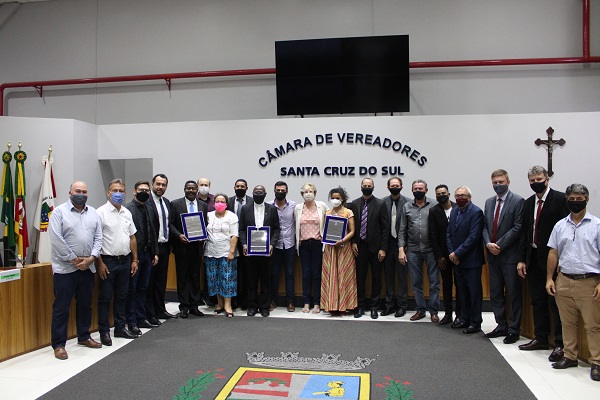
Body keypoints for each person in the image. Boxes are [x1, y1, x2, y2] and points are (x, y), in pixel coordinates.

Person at [546, 184, 600, 381]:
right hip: (564, 280)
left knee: (593, 325)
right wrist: (549, 278)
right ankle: (570, 356)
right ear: (567, 200)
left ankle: (597, 362)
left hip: (589, 282)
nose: (575, 202)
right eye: (572, 199)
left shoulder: (597, 225)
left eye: (579, 199)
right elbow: (553, 252)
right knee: (567, 323)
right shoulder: (560, 225)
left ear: (587, 200)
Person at [517, 165, 569, 361]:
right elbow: (525, 233)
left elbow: (566, 231)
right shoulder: (528, 203)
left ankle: (560, 343)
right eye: (532, 180)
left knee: (556, 303)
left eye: (539, 179)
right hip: (533, 258)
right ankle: (541, 338)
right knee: (537, 301)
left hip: (553, 260)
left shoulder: (561, 200)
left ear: (547, 179)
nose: (535, 183)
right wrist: (522, 259)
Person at [49, 181, 103, 360]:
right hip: (65, 269)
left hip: (88, 267)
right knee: (61, 307)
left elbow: (99, 238)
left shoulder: (93, 213)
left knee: (85, 304)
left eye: (84, 191)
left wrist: (91, 258)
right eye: (77, 191)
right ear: (70, 193)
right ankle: (59, 345)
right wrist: (73, 259)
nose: (81, 194)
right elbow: (56, 239)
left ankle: (84, 336)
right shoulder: (59, 212)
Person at [482, 169, 524, 344]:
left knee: (513, 294)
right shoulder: (489, 202)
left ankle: (514, 329)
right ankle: (501, 325)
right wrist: (488, 244)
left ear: (508, 182)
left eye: (501, 182)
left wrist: (499, 245)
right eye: (495, 183)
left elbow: (518, 227)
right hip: (493, 256)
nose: (498, 185)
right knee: (496, 293)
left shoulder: (518, 201)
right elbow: (485, 226)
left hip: (509, 256)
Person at [96, 179, 139, 345]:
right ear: (108, 193)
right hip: (108, 262)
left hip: (125, 261)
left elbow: (132, 237)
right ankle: (104, 331)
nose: (118, 194)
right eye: (115, 191)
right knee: (105, 298)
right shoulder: (100, 213)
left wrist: (134, 259)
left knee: (122, 296)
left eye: (121, 191)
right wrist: (99, 262)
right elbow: (96, 240)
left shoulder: (127, 212)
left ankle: (120, 328)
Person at [398, 179, 439, 323]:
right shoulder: (407, 206)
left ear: (426, 190)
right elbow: (402, 229)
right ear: (412, 190)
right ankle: (420, 310)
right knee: (416, 283)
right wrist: (401, 249)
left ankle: (434, 311)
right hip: (413, 250)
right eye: (415, 188)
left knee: (434, 282)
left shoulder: (434, 204)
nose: (418, 190)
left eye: (420, 188)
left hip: (431, 249)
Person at [446, 185, 484, 334]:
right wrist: (452, 253)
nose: (460, 198)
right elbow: (448, 234)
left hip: (471, 260)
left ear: (469, 197)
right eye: (457, 196)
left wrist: (457, 253)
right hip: (457, 260)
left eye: (463, 195)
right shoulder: (454, 211)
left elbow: (473, 237)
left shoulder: (476, 212)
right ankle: (464, 318)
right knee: (462, 292)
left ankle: (475, 322)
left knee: (474, 293)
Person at [239, 185, 281, 317]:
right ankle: (251, 306)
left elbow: (276, 229)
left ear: (265, 194)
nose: (258, 194)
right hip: (250, 251)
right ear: (252, 193)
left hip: (266, 251)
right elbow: (241, 229)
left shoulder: (272, 209)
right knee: (251, 280)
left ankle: (264, 306)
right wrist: (244, 244)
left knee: (265, 280)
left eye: (261, 192)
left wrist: (272, 244)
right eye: (256, 192)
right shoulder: (245, 208)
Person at [124, 180, 159, 335]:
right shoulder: (127, 209)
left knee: (143, 288)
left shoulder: (149, 208)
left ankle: (141, 317)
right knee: (132, 289)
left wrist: (155, 252)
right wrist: (134, 258)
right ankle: (131, 321)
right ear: (134, 191)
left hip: (147, 253)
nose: (144, 192)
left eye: (146, 190)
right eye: (141, 190)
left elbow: (153, 231)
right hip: (134, 255)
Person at [351, 177, 389, 319]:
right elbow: (351, 226)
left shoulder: (380, 204)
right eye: (365, 185)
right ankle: (360, 306)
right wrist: (353, 242)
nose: (367, 187)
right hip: (360, 247)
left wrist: (383, 248)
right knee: (360, 278)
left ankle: (374, 307)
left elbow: (385, 228)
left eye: (369, 185)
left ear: (373, 187)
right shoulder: (354, 203)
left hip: (376, 248)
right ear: (360, 186)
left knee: (376, 278)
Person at [169, 180, 207, 318]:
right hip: (182, 246)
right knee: (182, 277)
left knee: (195, 276)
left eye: (193, 188)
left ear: (197, 190)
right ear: (184, 189)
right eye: (188, 188)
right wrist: (179, 235)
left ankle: (194, 305)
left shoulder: (203, 205)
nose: (191, 191)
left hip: (197, 247)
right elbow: (171, 224)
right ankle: (184, 306)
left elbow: (205, 223)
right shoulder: (175, 204)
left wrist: (203, 235)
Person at [145, 173, 176, 324]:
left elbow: (169, 225)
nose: (160, 187)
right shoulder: (147, 202)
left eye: (163, 185)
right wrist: (153, 250)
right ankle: (149, 313)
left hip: (164, 247)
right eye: (158, 184)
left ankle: (160, 310)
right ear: (152, 184)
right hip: (152, 248)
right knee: (149, 282)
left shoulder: (166, 202)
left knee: (161, 281)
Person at [321, 187, 357, 315]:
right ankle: (331, 305)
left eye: (338, 198)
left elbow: (352, 231)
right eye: (333, 198)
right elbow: (325, 230)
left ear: (342, 199)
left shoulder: (348, 212)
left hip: (343, 248)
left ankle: (344, 305)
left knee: (343, 275)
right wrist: (326, 238)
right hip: (330, 248)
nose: (335, 200)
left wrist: (342, 240)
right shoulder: (327, 212)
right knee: (331, 275)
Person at [428, 184, 461, 325]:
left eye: (443, 193)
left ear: (449, 194)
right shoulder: (434, 211)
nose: (441, 195)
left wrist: (459, 252)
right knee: (446, 284)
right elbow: (433, 235)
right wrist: (439, 256)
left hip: (459, 254)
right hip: (443, 256)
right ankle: (448, 314)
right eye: (438, 194)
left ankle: (460, 314)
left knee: (460, 284)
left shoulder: (458, 208)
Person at [294, 182, 328, 314]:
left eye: (311, 191)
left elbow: (330, 220)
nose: (308, 194)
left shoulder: (322, 206)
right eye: (306, 192)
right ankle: (306, 302)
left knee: (317, 274)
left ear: (315, 193)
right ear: (302, 194)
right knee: (306, 274)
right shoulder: (298, 208)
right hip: (304, 245)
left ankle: (317, 303)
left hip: (317, 244)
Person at [204, 193, 239, 318]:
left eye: (222, 201)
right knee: (215, 279)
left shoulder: (232, 216)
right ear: (213, 203)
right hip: (211, 252)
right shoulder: (208, 215)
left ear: (226, 204)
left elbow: (234, 235)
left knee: (227, 279)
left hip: (226, 252)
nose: (219, 203)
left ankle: (228, 305)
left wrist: (231, 252)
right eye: (217, 201)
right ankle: (219, 304)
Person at [381, 177, 410, 317]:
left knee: (402, 277)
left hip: (402, 246)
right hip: (387, 245)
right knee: (389, 276)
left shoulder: (408, 203)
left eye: (397, 185)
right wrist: (382, 247)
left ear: (401, 187)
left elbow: (410, 226)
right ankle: (389, 305)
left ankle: (402, 306)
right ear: (388, 187)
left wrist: (404, 246)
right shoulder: (382, 202)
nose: (394, 187)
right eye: (392, 185)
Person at [268, 181, 296, 312]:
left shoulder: (293, 206)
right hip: (274, 245)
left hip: (289, 244)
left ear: (287, 192)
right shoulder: (268, 205)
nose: (280, 192)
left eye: (282, 190)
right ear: (274, 191)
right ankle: (273, 300)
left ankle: (290, 302)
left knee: (289, 274)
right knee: (274, 274)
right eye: (278, 190)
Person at [227, 178, 251, 310]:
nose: (240, 188)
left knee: (247, 273)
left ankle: (245, 301)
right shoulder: (228, 202)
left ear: (247, 188)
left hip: (248, 242)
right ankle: (233, 300)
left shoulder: (252, 201)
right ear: (234, 188)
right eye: (238, 186)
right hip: (231, 242)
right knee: (232, 273)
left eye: (242, 186)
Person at [197, 177, 216, 307]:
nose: (204, 187)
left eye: (206, 184)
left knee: (209, 269)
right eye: (201, 184)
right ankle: (196, 297)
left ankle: (209, 296)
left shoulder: (215, 200)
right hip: (195, 240)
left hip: (211, 240)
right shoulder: (192, 199)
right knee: (195, 269)